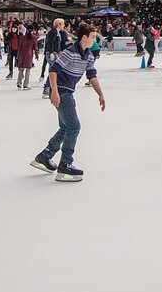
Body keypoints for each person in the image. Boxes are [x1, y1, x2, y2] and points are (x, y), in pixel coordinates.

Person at [31, 24, 106, 181]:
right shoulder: (70, 52)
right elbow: (53, 70)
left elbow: (92, 76)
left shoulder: (89, 56)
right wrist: (55, 92)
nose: (95, 40)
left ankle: (45, 155)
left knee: (65, 127)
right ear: (84, 37)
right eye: (93, 37)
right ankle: (65, 164)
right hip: (61, 91)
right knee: (74, 126)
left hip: (66, 91)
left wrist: (100, 94)